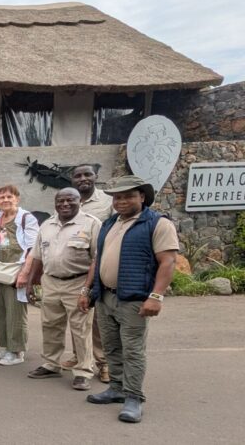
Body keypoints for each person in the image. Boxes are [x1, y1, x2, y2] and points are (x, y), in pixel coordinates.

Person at [81, 175, 178, 423]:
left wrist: (156, 297)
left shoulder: (157, 223)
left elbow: (168, 262)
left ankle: (133, 397)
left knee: (133, 350)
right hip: (105, 297)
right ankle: (116, 388)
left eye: (128, 196)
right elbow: (98, 259)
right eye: (117, 197)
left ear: (142, 197)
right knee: (111, 347)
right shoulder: (110, 223)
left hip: (135, 299)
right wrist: (87, 290)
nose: (121, 201)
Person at [19, 188, 101, 390]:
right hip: (51, 282)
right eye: (60, 201)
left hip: (78, 282)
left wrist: (86, 289)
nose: (65, 204)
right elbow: (38, 256)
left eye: (70, 200)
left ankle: (83, 371)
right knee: (50, 325)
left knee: (81, 329)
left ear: (79, 201)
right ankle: (51, 364)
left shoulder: (92, 224)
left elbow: (97, 260)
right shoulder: (47, 225)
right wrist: (30, 283)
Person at [0, 184, 39, 366]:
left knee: (15, 311)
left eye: (9, 197)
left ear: (17, 198)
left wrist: (25, 273)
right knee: (0, 310)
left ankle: (17, 351)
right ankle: (6, 346)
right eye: (2, 198)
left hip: (15, 272)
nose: (6, 200)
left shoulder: (26, 218)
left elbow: (33, 248)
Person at [70, 164, 113, 382]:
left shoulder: (107, 201)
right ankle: (79, 357)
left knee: (96, 320)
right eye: (78, 176)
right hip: (74, 270)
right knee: (77, 315)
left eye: (87, 174)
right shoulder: (69, 201)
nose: (83, 178)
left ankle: (103, 363)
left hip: (99, 268)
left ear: (96, 176)